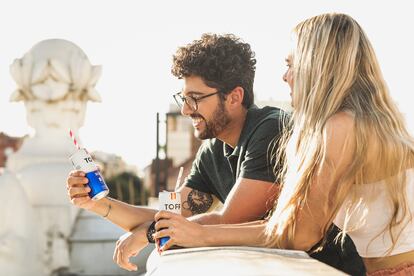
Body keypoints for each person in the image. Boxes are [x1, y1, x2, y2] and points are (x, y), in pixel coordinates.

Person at [67, 32, 364, 275]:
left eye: (196, 99)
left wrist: (148, 234)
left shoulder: (271, 129)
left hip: (328, 268)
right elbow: (172, 215)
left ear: (234, 97)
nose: (185, 110)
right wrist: (98, 204)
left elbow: (227, 220)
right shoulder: (213, 148)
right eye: (183, 99)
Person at [153, 13, 414, 275]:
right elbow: (175, 210)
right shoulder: (211, 150)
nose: (284, 76)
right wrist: (111, 208)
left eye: (291, 65)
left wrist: (200, 235)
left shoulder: (333, 127)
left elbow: (300, 234)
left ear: (316, 66)